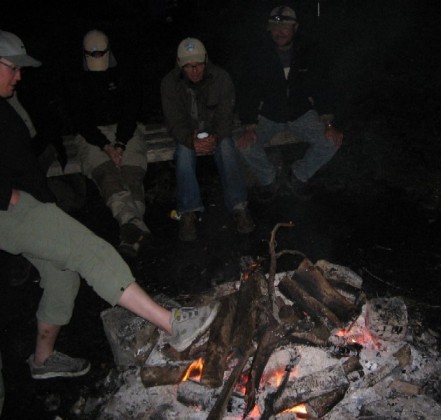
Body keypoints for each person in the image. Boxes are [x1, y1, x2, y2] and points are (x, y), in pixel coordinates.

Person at [0, 30, 219, 381]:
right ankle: (171, 324)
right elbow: (77, 119)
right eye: (13, 68)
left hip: (31, 199)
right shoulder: (72, 80)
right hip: (11, 209)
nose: (19, 75)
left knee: (62, 275)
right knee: (91, 252)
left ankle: (42, 359)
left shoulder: (7, 101)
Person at [236, 5, 344, 201]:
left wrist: (328, 123)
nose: (280, 32)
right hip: (268, 115)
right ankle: (269, 180)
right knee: (245, 146)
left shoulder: (309, 51)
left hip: (301, 114)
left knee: (331, 141)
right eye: (275, 27)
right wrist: (249, 125)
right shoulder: (258, 53)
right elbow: (247, 91)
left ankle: (297, 176)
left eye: (285, 27)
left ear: (295, 27)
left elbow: (323, 86)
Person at [65, 29, 151, 258]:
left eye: (100, 53)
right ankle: (133, 227)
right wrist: (105, 145)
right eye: (91, 54)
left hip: (126, 130)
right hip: (93, 136)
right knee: (107, 175)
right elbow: (81, 120)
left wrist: (121, 142)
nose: (97, 58)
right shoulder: (76, 79)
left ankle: (130, 233)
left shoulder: (123, 72)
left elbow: (131, 109)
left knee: (131, 174)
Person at [161, 37, 255, 241]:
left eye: (199, 65)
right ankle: (188, 212)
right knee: (184, 153)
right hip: (188, 134)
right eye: (189, 66)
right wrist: (189, 139)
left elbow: (225, 116)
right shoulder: (169, 83)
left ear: (206, 60)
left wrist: (216, 137)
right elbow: (174, 121)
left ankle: (239, 207)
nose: (195, 70)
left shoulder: (221, 78)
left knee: (227, 148)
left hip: (215, 132)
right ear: (179, 63)